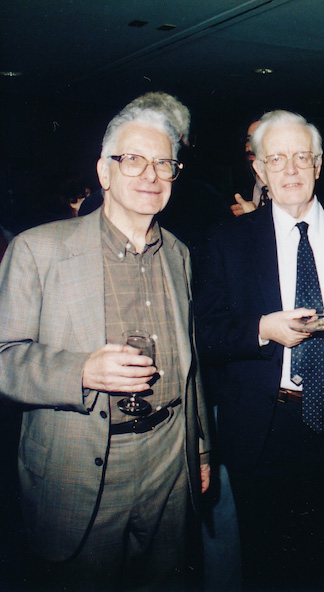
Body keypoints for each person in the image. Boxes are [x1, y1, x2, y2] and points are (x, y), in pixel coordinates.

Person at [0, 96, 210, 589]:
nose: (150, 175)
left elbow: (190, 360)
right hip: (83, 469)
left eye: (164, 163)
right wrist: (81, 371)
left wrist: (199, 450)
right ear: (104, 170)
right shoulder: (39, 249)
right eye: (132, 159)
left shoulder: (178, 253)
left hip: (169, 462)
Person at [194, 110, 324, 590]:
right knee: (271, 562)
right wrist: (262, 328)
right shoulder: (226, 239)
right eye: (276, 159)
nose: (290, 170)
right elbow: (206, 330)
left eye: (302, 157)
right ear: (257, 168)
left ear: (320, 163)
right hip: (267, 426)